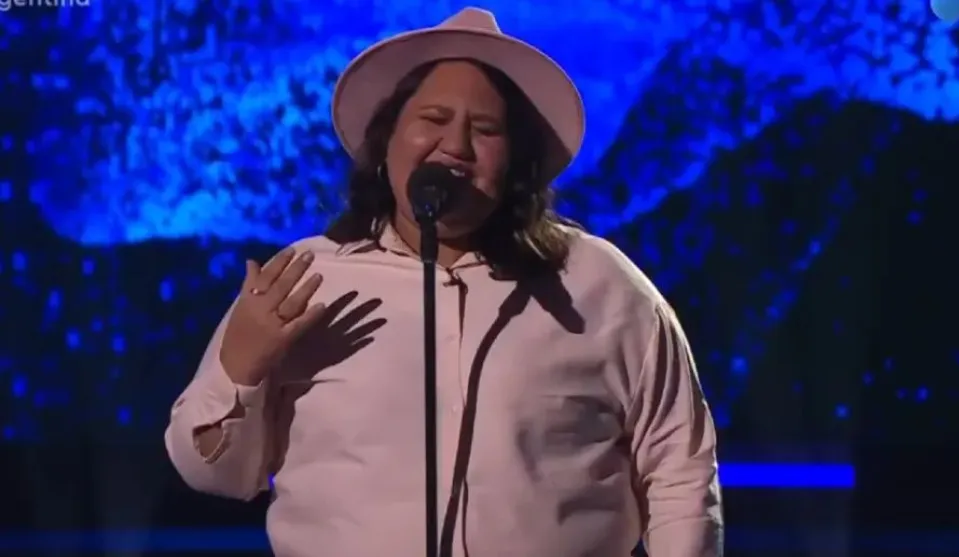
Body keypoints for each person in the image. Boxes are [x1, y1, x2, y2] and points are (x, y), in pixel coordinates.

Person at [165, 7, 723, 557]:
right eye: (433, 119)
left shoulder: (601, 286)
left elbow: (680, 470)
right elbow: (215, 474)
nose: (456, 145)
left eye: (485, 129)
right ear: (386, 143)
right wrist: (241, 368)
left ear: (516, 163)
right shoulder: (305, 279)